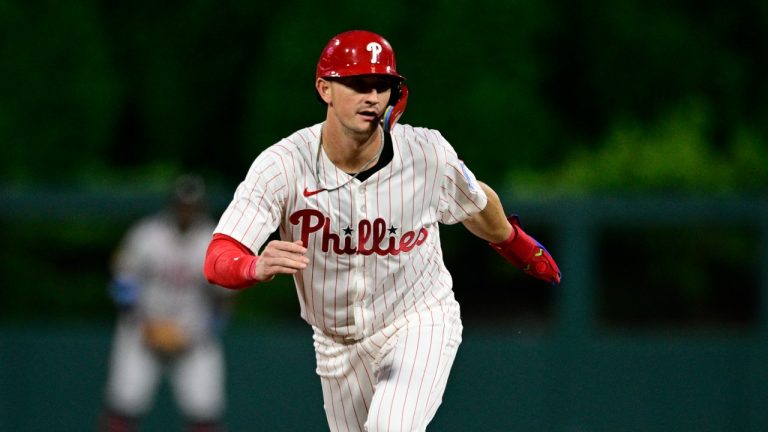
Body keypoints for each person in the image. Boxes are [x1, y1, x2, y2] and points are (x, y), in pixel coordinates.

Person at [203, 30, 560, 432]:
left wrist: (517, 245)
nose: (372, 96)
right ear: (325, 89)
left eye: (382, 85)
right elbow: (218, 258)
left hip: (417, 318)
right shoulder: (283, 165)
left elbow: (476, 203)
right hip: (336, 345)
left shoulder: (426, 153)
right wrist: (252, 265)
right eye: (357, 84)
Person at [100, 175, 233, 432]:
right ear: (172, 204)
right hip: (142, 331)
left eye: (191, 205)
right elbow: (122, 282)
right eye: (181, 204)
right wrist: (144, 326)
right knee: (123, 403)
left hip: (193, 336)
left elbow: (225, 297)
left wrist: (202, 331)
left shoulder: (214, 239)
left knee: (205, 409)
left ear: (200, 207)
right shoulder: (147, 234)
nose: (186, 211)